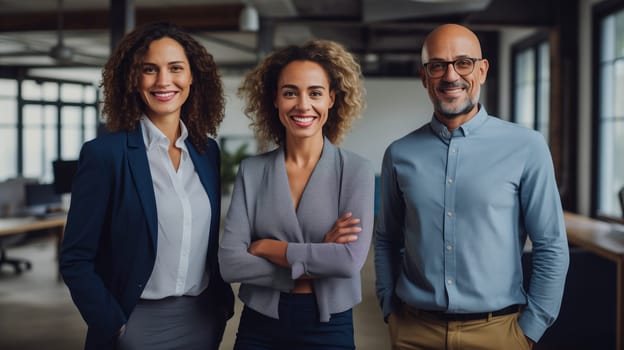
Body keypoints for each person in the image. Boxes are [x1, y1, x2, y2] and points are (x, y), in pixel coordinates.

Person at [374, 23, 569, 350]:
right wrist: (389, 310)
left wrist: (530, 329)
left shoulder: (526, 147)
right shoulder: (399, 153)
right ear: (424, 76)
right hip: (414, 331)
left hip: (499, 333)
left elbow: (551, 245)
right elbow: (386, 239)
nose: (451, 76)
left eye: (463, 63)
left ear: (481, 70)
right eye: (437, 65)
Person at [59, 22, 233, 350]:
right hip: (134, 324)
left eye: (175, 68)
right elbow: (76, 257)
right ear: (133, 78)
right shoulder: (105, 155)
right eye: (149, 69)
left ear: (193, 76)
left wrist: (219, 307)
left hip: (202, 319)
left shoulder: (206, 151)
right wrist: (114, 324)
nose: (163, 81)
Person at [218, 39, 374, 350]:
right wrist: (315, 259)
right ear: (275, 99)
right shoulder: (252, 170)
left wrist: (267, 247)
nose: (303, 105)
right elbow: (230, 264)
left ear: (331, 98)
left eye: (315, 93)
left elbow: (346, 262)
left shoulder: (357, 170)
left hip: (329, 324)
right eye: (290, 92)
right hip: (260, 323)